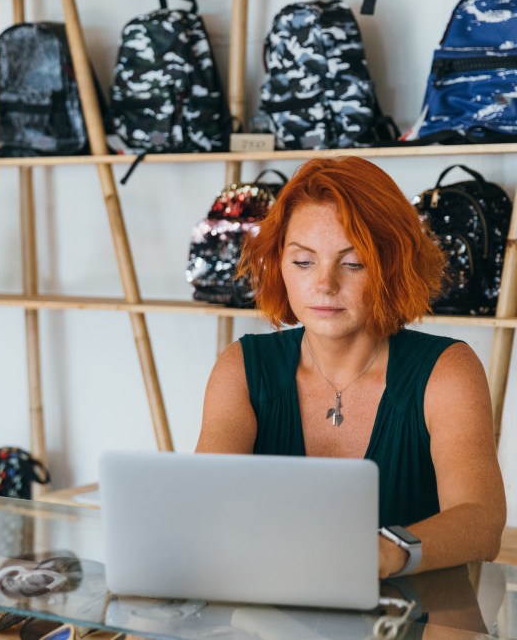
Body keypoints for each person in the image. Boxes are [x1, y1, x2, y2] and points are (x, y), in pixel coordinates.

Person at [196, 156, 506, 579]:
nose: (324, 284)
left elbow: (482, 523)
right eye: (304, 262)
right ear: (278, 263)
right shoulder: (242, 367)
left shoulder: (447, 369)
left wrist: (387, 552)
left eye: (353, 262)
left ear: (392, 266)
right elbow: (205, 506)